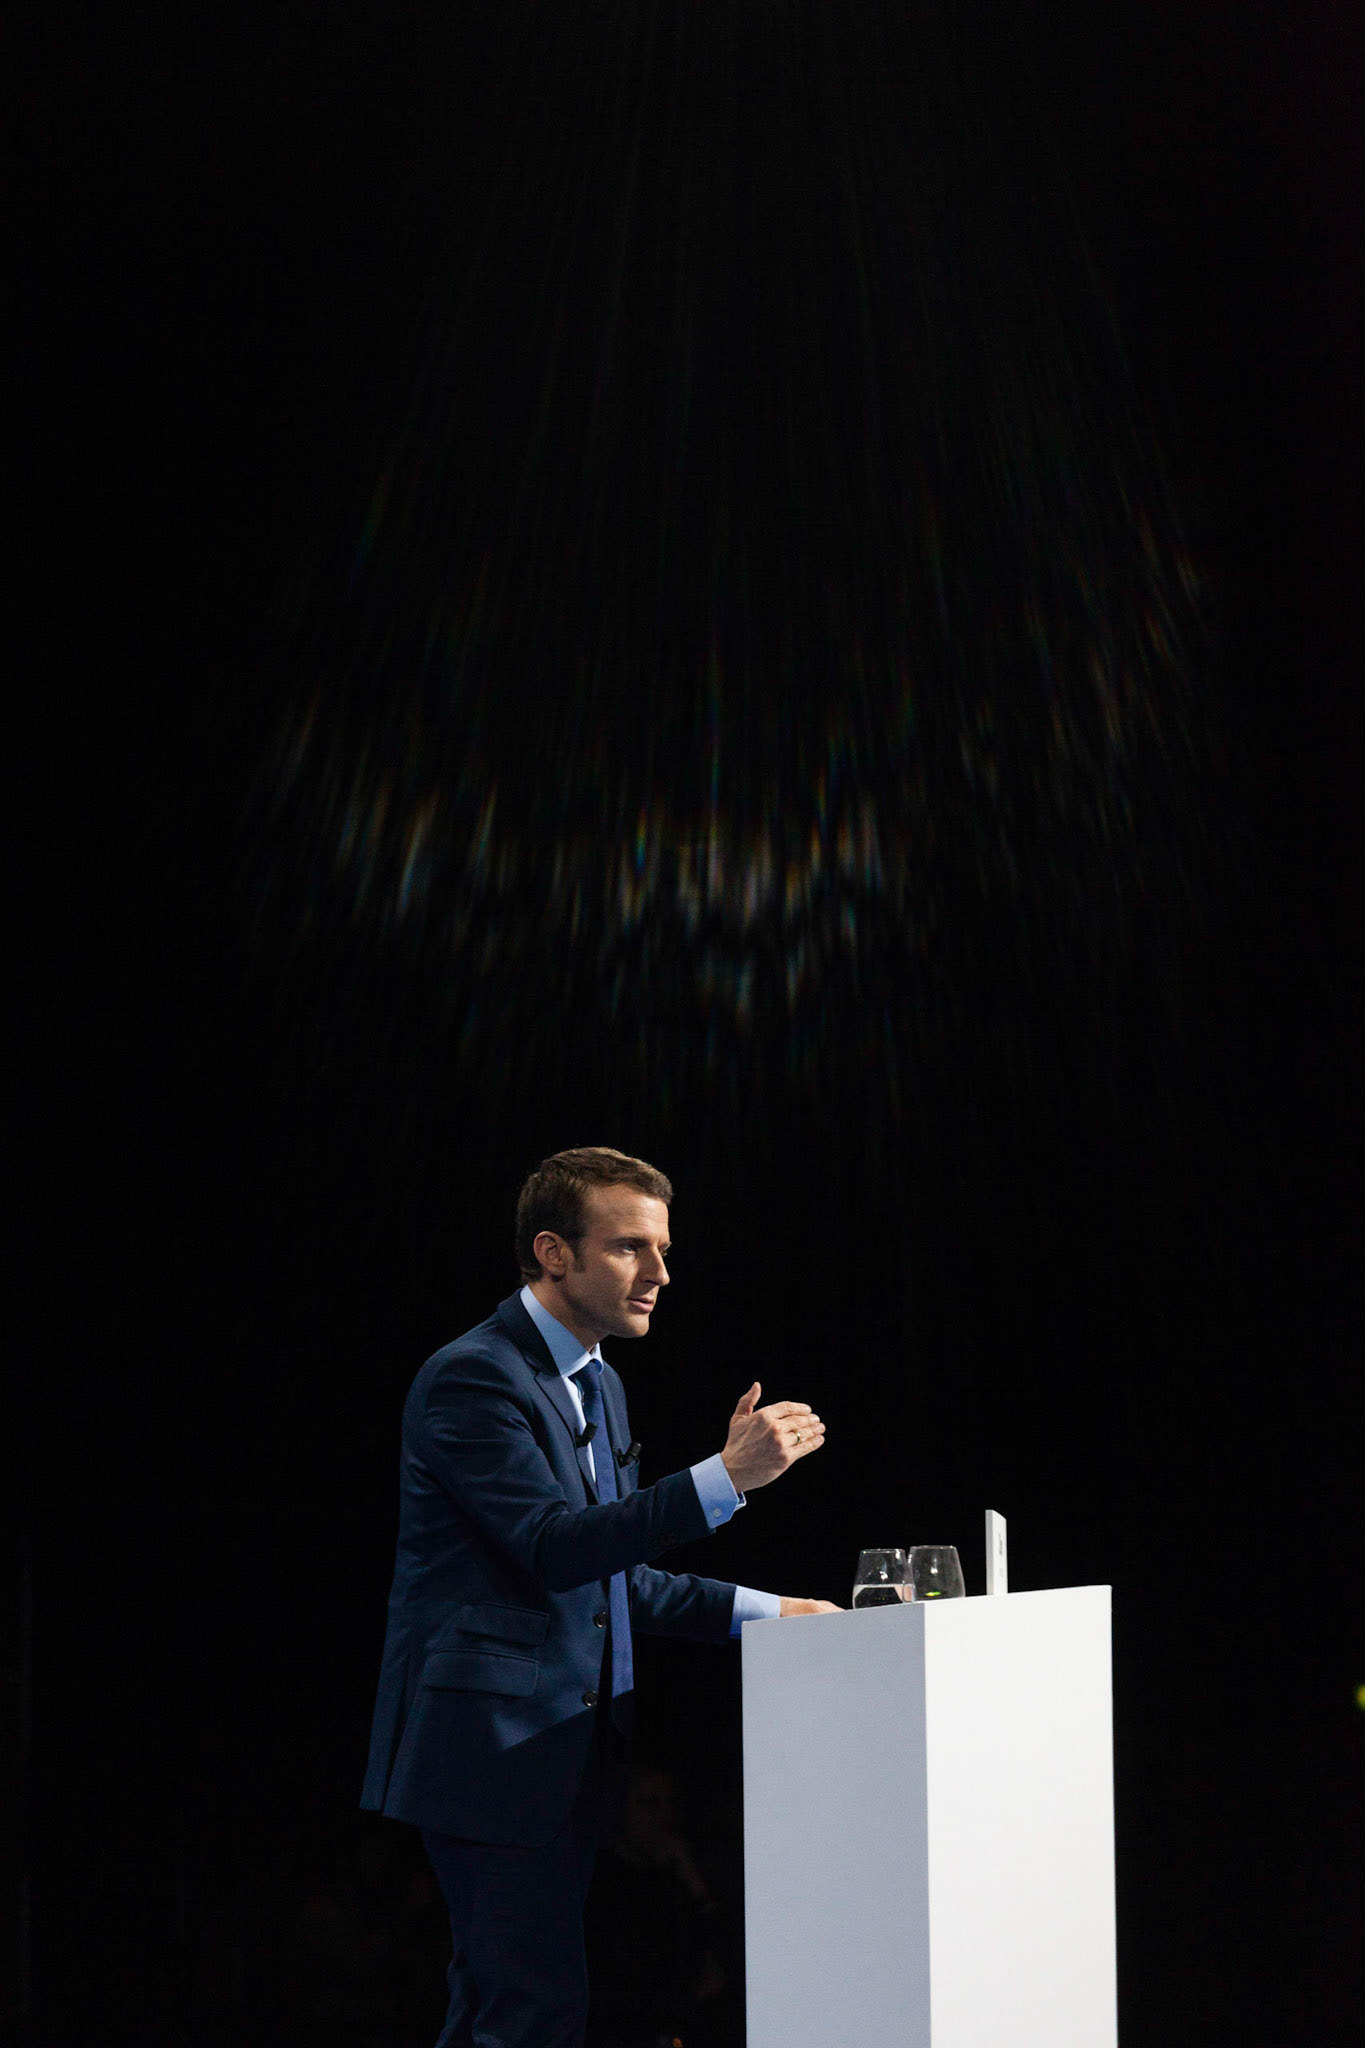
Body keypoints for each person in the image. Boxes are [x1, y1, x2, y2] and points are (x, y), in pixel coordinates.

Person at [361, 1145, 837, 2047]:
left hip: (565, 1754)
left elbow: (615, 1573)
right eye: (629, 1248)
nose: (658, 1272)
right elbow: (551, 1547)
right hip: (490, 1752)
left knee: (509, 2009)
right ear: (553, 1252)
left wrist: (776, 1615)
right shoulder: (474, 1377)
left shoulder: (599, 1382)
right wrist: (723, 1477)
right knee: (528, 2011)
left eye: (661, 1249)